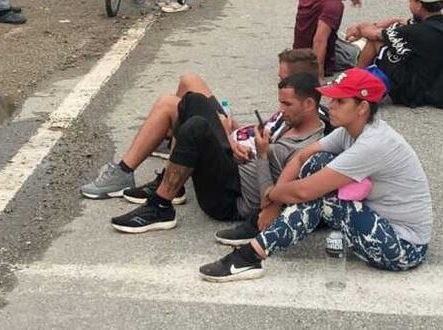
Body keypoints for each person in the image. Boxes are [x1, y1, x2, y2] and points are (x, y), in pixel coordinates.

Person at [198, 68, 432, 282]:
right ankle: (261, 233)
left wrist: (271, 194)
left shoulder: (373, 144)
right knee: (317, 162)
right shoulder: (351, 131)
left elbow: (305, 191)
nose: (331, 105)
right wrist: (273, 205)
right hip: (377, 223)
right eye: (332, 99)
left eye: (340, 101)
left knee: (324, 201)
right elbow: (302, 157)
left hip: (403, 248)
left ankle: (250, 256)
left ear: (362, 108)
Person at [78, 48, 323, 205]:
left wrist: (229, 138)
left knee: (171, 105)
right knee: (190, 81)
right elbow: (264, 133)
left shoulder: (305, 119)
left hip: (234, 161)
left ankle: (132, 171)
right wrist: (236, 128)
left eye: (282, 79)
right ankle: (174, 148)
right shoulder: (291, 108)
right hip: (237, 138)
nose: (278, 82)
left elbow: (268, 160)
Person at [102, 73, 326, 234]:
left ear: (308, 104)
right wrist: (232, 137)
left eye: (287, 104)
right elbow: (259, 139)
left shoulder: (307, 148)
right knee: (194, 100)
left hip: (232, 200)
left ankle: (159, 207)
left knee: (196, 127)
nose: (281, 109)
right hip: (234, 166)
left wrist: (261, 155)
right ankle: (171, 183)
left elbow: (271, 197)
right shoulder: (290, 121)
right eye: (280, 103)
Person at [346, 0, 443, 108]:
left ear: (418, 4)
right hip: (435, 84)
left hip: (413, 94)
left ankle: (353, 82)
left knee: (375, 42)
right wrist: (390, 22)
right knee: (388, 36)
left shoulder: (415, 32)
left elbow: (372, 34)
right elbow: (402, 22)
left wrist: (359, 28)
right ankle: (356, 80)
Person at [294, 0, 362, 77]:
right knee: (356, 53)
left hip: (299, 52)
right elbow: (319, 40)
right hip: (313, 58)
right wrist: (318, 76)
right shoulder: (333, 6)